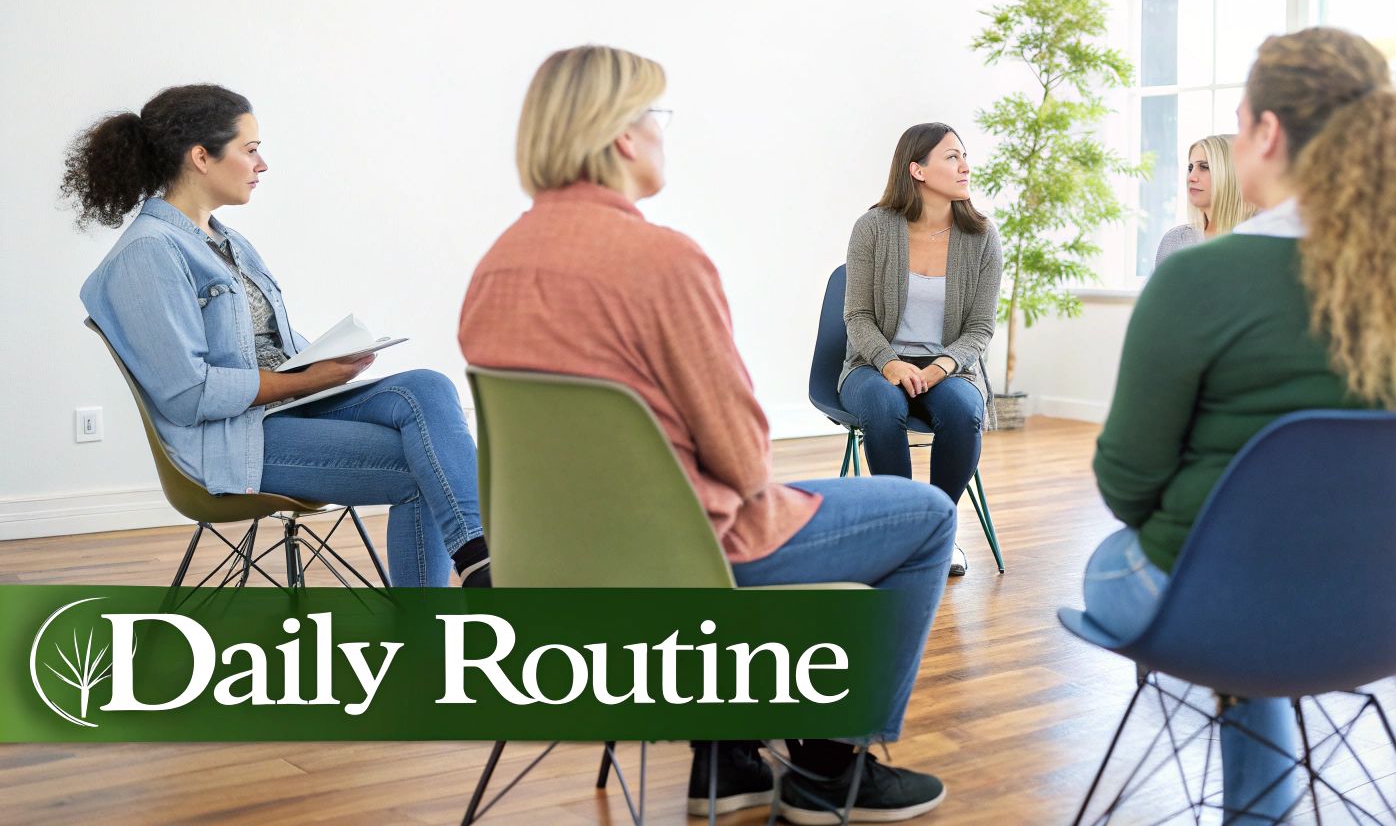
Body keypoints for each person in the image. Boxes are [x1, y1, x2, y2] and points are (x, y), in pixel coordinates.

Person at [459, 45, 955, 823]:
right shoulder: (663, 260)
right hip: (690, 558)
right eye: (658, 116)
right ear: (623, 135)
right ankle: (830, 762)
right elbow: (744, 459)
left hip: (549, 565)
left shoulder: (494, 267)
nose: (663, 132)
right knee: (927, 516)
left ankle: (727, 754)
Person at [1087, 28, 1396, 822]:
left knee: (1135, 565)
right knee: (1261, 588)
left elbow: (1127, 485)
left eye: (1238, 122)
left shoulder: (1198, 276)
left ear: (1266, 133)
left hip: (1219, 608)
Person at [65, 85, 489, 588]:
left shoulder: (225, 240)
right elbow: (188, 395)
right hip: (228, 442)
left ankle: (478, 560)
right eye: (250, 150)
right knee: (429, 466)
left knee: (428, 387)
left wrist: (326, 361)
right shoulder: (148, 254)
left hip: (283, 412)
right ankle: (447, 609)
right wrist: (306, 381)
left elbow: (262, 343)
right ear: (202, 157)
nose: (261, 164)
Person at [840, 122, 1002, 577]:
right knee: (881, 403)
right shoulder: (873, 228)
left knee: (962, 412)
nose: (965, 166)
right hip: (873, 364)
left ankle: (938, 532)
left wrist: (942, 367)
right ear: (917, 169)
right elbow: (857, 318)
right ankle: (900, 533)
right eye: (952, 157)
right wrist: (890, 364)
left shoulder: (982, 237)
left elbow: (980, 328)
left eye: (964, 156)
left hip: (949, 367)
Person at [1153, 134, 1252, 267]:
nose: (1191, 177)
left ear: (1230, 174)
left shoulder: (1261, 242)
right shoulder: (1176, 240)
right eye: (1190, 168)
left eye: (1204, 167)